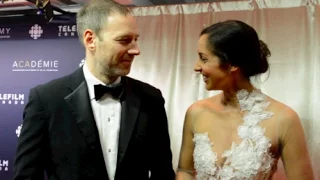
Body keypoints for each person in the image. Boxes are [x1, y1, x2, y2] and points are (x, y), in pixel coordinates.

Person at [13, 0, 175, 179]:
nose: (136, 50)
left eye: (136, 40)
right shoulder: (46, 99)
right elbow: (27, 176)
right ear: (91, 40)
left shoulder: (150, 98)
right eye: (124, 40)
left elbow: (163, 172)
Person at [176, 20, 314, 180]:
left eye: (204, 58)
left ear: (232, 64)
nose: (196, 67)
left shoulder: (284, 119)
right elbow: (184, 170)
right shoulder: (196, 112)